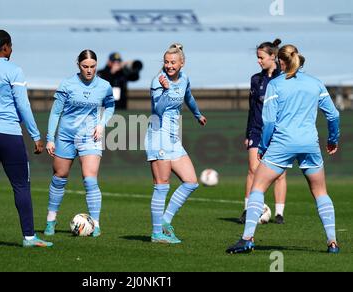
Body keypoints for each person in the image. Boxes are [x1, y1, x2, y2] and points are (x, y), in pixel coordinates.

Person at [226, 44, 340, 254]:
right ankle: (332, 242)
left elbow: (268, 122)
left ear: (280, 61)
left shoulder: (276, 84)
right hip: (309, 144)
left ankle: (247, 238)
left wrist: (264, 145)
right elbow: (333, 115)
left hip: (282, 143)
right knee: (321, 192)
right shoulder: (315, 83)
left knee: (258, 188)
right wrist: (333, 139)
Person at [0, 30, 52, 248]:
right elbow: (23, 105)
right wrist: (35, 135)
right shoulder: (14, 70)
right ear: (4, 47)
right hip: (8, 134)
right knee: (21, 186)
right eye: (10, 46)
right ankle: (29, 237)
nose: (12, 50)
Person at [43, 49, 115, 237]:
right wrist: (50, 138)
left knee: (90, 179)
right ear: (78, 65)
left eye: (92, 66)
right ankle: (51, 219)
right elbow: (56, 112)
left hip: (89, 138)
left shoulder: (104, 86)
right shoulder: (67, 84)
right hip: (65, 136)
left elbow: (110, 106)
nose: (89, 70)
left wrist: (101, 124)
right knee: (60, 177)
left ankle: (96, 224)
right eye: (85, 66)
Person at [145, 43, 207, 244]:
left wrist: (197, 114)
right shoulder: (158, 80)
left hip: (173, 138)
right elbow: (158, 110)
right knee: (161, 185)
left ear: (182, 63)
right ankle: (156, 234)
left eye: (173, 62)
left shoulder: (185, 79)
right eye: (166, 62)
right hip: (158, 136)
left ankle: (165, 220)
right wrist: (164, 90)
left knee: (191, 181)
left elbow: (187, 96)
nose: (169, 66)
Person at [240, 39, 287, 225]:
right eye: (257, 57)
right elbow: (252, 109)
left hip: (278, 132)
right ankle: (247, 209)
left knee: (280, 174)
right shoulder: (256, 79)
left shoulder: (283, 79)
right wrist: (247, 134)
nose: (259, 61)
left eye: (261, 57)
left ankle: (279, 214)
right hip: (257, 131)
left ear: (273, 57)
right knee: (253, 170)